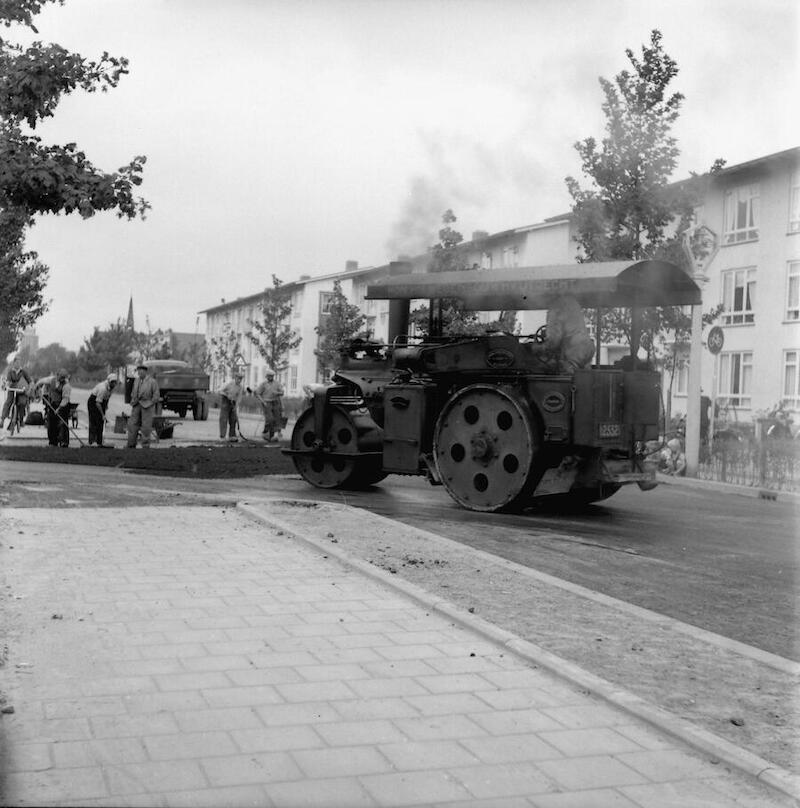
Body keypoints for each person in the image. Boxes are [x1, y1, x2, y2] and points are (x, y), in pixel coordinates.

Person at [126, 363, 160, 449]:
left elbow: (156, 395)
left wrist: (151, 403)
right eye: (138, 371)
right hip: (136, 404)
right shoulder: (136, 380)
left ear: (145, 372)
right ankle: (131, 444)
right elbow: (134, 392)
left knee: (146, 426)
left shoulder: (152, 381)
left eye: (141, 371)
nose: (139, 373)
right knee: (132, 424)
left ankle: (145, 445)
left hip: (147, 405)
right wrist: (133, 400)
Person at [1, 356, 32, 431]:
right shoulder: (10, 372)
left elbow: (30, 382)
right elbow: (8, 381)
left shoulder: (23, 371)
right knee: (8, 402)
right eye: (16, 362)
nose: (18, 364)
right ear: (14, 363)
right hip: (12, 389)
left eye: (19, 362)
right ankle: (2, 419)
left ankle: (21, 419)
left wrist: (29, 389)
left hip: (21, 391)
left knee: (22, 403)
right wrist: (6, 386)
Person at [88, 373, 118, 446]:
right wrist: (102, 414)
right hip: (93, 402)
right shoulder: (103, 388)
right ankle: (92, 441)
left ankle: (99, 441)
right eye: (112, 382)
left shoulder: (112, 388)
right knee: (94, 421)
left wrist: (106, 406)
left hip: (101, 401)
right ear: (109, 381)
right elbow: (98, 403)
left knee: (101, 422)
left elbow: (107, 396)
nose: (114, 384)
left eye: (115, 382)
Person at [255, 368, 284, 441]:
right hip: (267, 402)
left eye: (272, 376)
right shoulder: (263, 384)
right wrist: (263, 401)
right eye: (269, 376)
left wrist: (277, 393)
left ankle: (271, 436)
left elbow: (282, 392)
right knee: (270, 419)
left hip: (275, 402)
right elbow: (257, 393)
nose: (270, 377)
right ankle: (265, 432)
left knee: (276, 419)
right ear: (266, 376)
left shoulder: (277, 383)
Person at [219, 372, 244, 441]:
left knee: (233, 419)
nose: (239, 380)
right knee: (224, 419)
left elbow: (239, 397)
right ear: (235, 378)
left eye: (240, 379)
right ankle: (222, 436)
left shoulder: (240, 387)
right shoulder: (229, 383)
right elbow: (220, 390)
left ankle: (232, 435)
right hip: (225, 400)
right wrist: (227, 395)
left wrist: (236, 406)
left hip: (233, 402)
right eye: (238, 378)